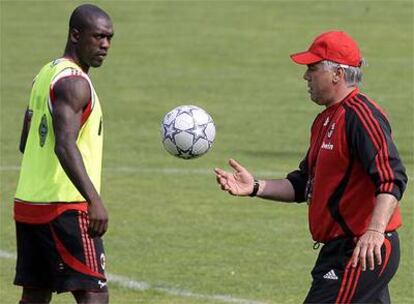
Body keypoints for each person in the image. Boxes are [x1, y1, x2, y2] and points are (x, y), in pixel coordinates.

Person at [214, 31, 407, 303]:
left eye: (313, 68)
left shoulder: (361, 116)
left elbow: (392, 178)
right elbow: (304, 183)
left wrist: (374, 231)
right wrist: (255, 186)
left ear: (337, 74)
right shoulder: (324, 121)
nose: (306, 76)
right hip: (341, 249)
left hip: (361, 250)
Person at [13, 4, 113, 304]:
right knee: (94, 294)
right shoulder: (75, 83)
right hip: (66, 208)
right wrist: (93, 199)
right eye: (98, 37)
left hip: (30, 203)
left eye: (109, 38)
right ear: (75, 34)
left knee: (35, 295)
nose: (105, 45)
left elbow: (26, 140)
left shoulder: (46, 74)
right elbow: (64, 144)